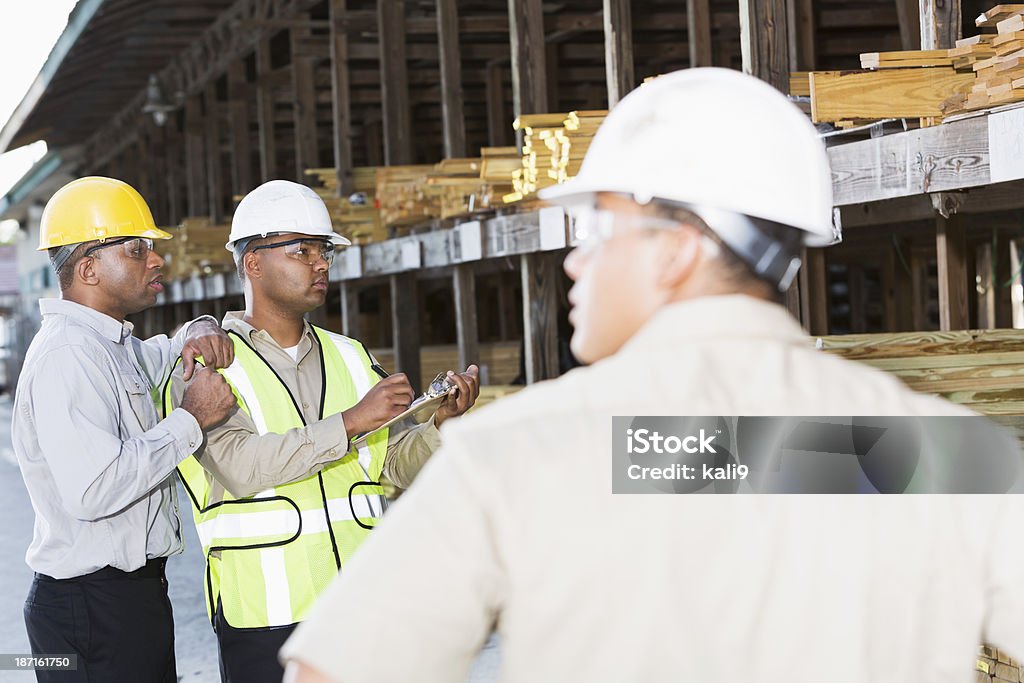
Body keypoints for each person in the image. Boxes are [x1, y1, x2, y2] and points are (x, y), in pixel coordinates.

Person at [279, 68, 1024, 683]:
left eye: (597, 227)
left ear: (677, 250)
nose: (573, 260)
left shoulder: (518, 454)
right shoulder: (945, 453)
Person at [161, 179, 480, 683]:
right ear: (253, 263)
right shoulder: (208, 367)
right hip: (267, 616)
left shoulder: (351, 357)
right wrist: (352, 422)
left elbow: (391, 466)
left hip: (362, 599)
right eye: (302, 250)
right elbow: (241, 467)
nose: (321, 263)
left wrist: (441, 425)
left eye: (325, 250)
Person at [13, 176, 238, 683]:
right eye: (137, 250)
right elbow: (94, 489)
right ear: (88, 267)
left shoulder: (111, 346)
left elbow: (166, 352)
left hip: (125, 599)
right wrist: (192, 420)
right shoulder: (70, 355)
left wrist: (200, 324)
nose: (156, 260)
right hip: (92, 607)